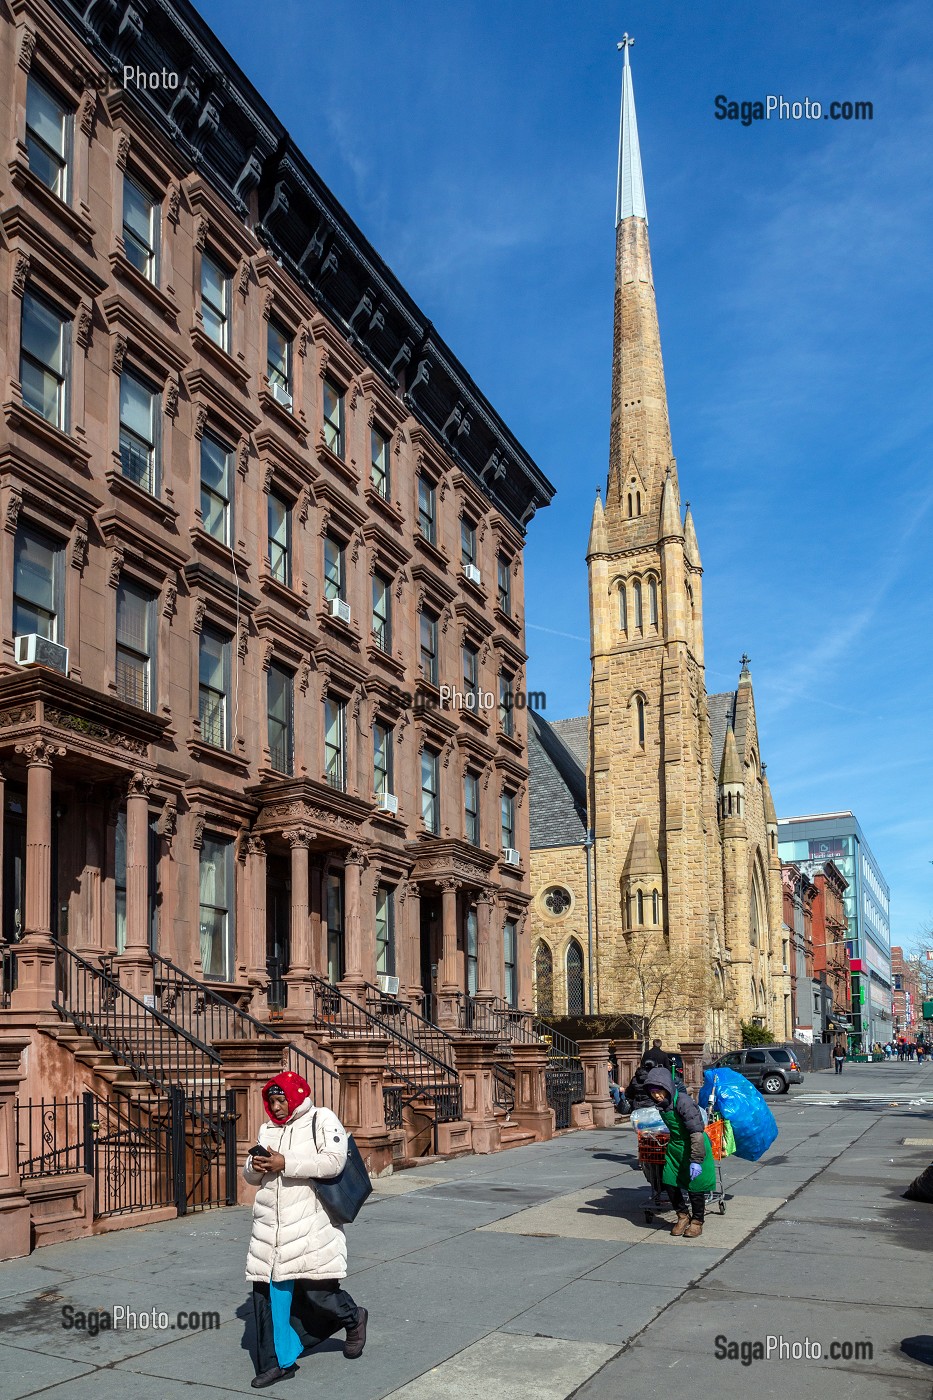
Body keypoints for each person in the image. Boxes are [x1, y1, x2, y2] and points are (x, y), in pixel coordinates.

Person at [244, 1072, 368, 1388]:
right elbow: (251, 1177)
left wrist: (285, 1162)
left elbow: (334, 1162)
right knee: (269, 1297)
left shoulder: (321, 1118)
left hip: (312, 1224)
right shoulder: (267, 1128)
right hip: (271, 1228)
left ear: (295, 1096)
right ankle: (279, 1363)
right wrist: (254, 1167)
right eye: (271, 1101)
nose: (276, 1106)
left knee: (319, 1293)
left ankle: (353, 1318)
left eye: (281, 1099)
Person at [643, 1065, 715, 1238]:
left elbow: (696, 1132)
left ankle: (697, 1221)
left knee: (695, 1187)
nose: (657, 1096)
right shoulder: (661, 1104)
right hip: (675, 1148)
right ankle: (682, 1215)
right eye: (653, 1092)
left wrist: (696, 1160)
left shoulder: (683, 1102)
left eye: (660, 1091)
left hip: (694, 1144)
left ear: (667, 1087)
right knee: (669, 1182)